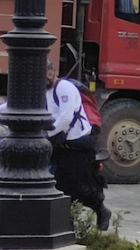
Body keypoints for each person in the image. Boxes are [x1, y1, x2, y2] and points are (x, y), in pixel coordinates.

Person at [42, 61, 111, 231]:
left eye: (48, 72)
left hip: (78, 144)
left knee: (82, 188)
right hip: (59, 143)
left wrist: (46, 134)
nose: (46, 77)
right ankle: (66, 225)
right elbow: (19, 103)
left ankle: (101, 210)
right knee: (59, 186)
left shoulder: (64, 87)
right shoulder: (43, 90)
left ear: (52, 71)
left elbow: (65, 118)